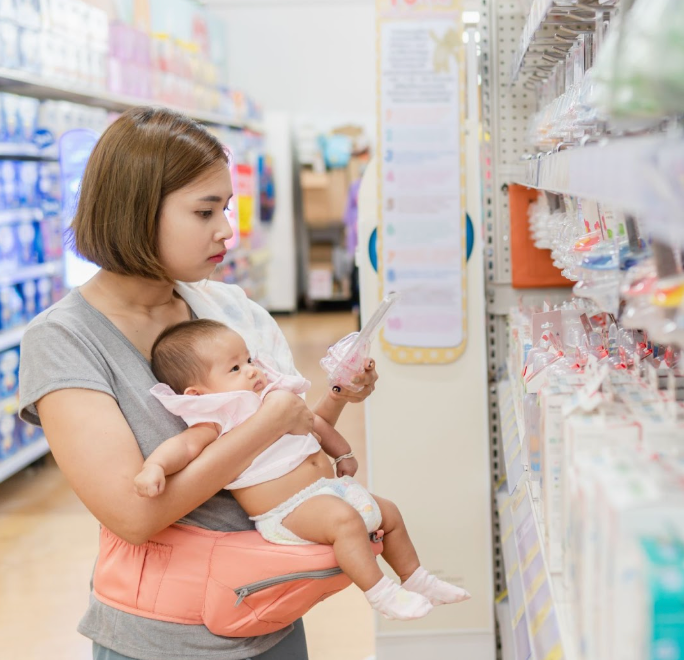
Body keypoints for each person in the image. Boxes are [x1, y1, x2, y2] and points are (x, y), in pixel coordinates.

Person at [17, 107, 379, 660]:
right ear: (134, 212)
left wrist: (334, 397)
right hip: (162, 637)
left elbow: (290, 447)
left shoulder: (225, 307)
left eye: (226, 208)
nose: (226, 231)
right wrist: (264, 426)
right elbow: (133, 515)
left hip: (267, 607)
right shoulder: (63, 340)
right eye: (204, 211)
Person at [135, 319, 470, 620]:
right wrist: (155, 467)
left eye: (249, 360)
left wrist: (341, 454)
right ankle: (381, 594)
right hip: (286, 512)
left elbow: (315, 424)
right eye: (234, 368)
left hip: (327, 492)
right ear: (198, 394)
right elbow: (184, 446)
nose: (252, 370)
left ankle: (417, 579)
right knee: (344, 522)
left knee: (390, 513)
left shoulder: (270, 397)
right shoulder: (216, 417)